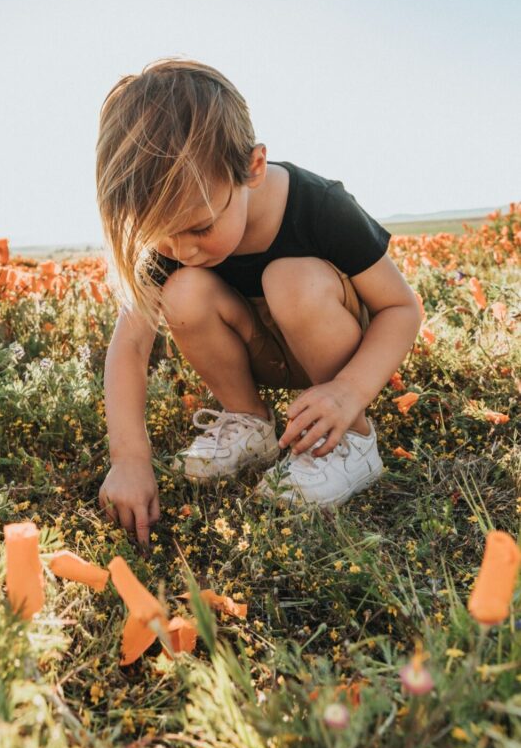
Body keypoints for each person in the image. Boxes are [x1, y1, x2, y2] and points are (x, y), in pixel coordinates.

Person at [95, 58, 422, 550]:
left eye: (200, 227)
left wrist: (348, 392)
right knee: (184, 289)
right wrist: (130, 460)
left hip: (338, 355)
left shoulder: (320, 206)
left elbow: (402, 309)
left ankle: (352, 441)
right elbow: (129, 350)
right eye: (161, 234)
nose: (182, 249)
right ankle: (249, 421)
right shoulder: (174, 244)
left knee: (289, 278)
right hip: (262, 354)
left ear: (252, 167)